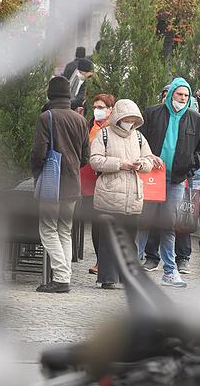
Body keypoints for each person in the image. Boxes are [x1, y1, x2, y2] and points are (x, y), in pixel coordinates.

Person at [137, 77, 200, 288]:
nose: (183, 98)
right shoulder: (152, 113)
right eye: (179, 94)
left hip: (177, 180)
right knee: (144, 221)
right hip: (151, 177)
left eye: (186, 95)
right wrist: (146, 159)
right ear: (171, 95)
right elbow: (138, 139)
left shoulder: (196, 119)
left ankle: (170, 271)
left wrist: (191, 163)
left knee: (169, 225)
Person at [31, 76, 90, 293]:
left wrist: (37, 172)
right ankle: (64, 277)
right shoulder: (81, 120)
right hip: (73, 184)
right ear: (68, 96)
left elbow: (38, 152)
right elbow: (86, 156)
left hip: (51, 184)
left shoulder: (47, 117)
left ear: (50, 94)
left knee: (47, 229)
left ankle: (61, 277)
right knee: (65, 231)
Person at [90, 99, 155, 289]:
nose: (130, 122)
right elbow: (95, 160)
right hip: (109, 194)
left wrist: (142, 164)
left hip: (132, 195)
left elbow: (149, 160)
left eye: (133, 119)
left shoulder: (139, 137)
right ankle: (108, 278)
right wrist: (120, 164)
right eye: (127, 118)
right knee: (108, 239)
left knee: (129, 238)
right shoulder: (104, 134)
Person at [85, 94, 115, 276]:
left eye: (101, 107)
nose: (98, 110)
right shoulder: (90, 126)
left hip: (109, 180)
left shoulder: (115, 128)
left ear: (111, 109)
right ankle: (99, 259)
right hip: (90, 181)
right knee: (96, 224)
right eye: (95, 106)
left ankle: (107, 262)